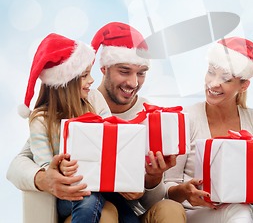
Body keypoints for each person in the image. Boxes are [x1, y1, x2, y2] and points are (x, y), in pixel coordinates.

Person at [7, 22, 186, 223]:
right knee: (102, 210)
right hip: (82, 200)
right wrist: (46, 177)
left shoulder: (150, 117)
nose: (134, 83)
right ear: (104, 68)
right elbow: (17, 165)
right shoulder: (55, 115)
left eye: (141, 73)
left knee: (161, 210)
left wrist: (149, 181)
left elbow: (148, 200)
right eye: (125, 71)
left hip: (120, 200)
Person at [18, 33, 138, 223]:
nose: (91, 80)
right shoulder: (41, 120)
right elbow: (46, 168)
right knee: (87, 197)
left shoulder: (94, 99)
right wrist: (60, 168)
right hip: (71, 192)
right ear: (64, 84)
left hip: (102, 184)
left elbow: (112, 135)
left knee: (128, 216)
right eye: (84, 76)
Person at [164, 36, 253, 223]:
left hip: (240, 212)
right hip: (191, 213)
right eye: (211, 72)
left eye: (226, 79)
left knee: (240, 209)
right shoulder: (185, 118)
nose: (214, 83)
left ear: (244, 85)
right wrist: (184, 191)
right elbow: (167, 187)